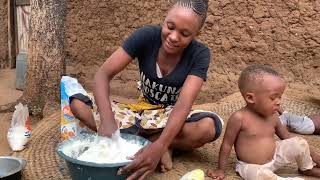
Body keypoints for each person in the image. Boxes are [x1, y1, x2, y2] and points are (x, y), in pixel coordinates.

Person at [69, 0, 224, 179]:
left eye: (184, 33)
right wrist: (107, 119)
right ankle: (162, 144)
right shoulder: (146, 36)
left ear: (197, 34)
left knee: (207, 127)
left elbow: (183, 105)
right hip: (138, 113)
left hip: (171, 117)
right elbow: (102, 75)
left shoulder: (199, 54)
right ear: (165, 19)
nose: (173, 37)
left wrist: (159, 147)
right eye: (170, 26)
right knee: (78, 104)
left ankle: (155, 143)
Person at [207, 65, 320, 180]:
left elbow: (287, 137)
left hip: (275, 158)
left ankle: (307, 168)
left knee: (299, 142)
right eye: (273, 98)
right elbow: (226, 145)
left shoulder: (273, 116)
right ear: (250, 98)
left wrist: (314, 155)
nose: (278, 102)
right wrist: (220, 169)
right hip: (251, 166)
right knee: (261, 176)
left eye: (280, 97)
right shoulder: (239, 118)